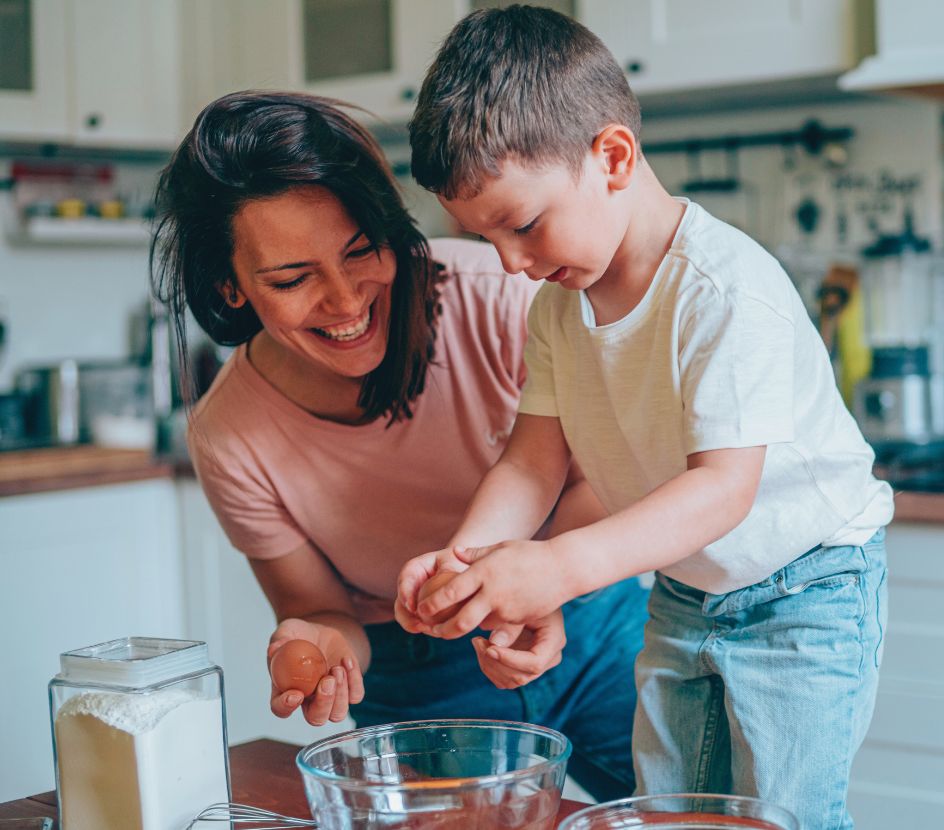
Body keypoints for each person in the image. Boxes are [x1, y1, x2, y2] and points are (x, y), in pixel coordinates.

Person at [394, 6, 894, 828]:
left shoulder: (724, 289)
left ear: (613, 156)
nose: (514, 266)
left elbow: (721, 493)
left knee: (775, 819)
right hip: (686, 590)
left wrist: (554, 569)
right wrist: (471, 564)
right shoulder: (559, 308)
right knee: (664, 811)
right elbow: (531, 463)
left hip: (808, 591)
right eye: (488, 241)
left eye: (522, 225)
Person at [150, 90, 647, 801]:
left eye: (361, 251)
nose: (347, 301)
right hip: (418, 689)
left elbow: (611, 475)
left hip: (596, 627)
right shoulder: (230, 436)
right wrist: (321, 646)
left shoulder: (501, 297)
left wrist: (534, 581)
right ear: (230, 288)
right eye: (292, 279)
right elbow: (325, 613)